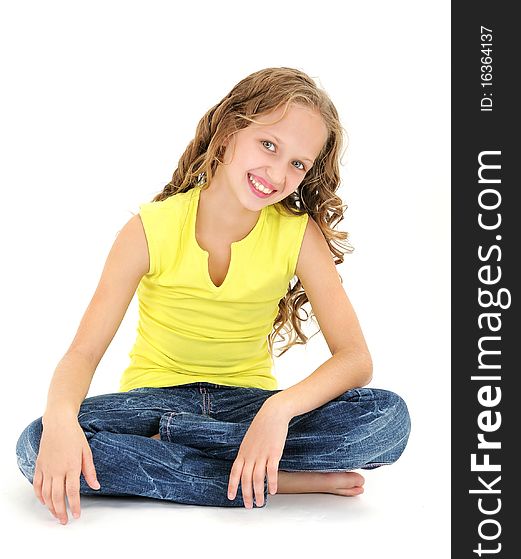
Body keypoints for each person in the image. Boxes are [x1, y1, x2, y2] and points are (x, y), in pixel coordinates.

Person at [15, 66, 411, 525]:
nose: (277, 172)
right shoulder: (149, 229)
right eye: (269, 145)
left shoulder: (299, 237)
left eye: (298, 164)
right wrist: (61, 424)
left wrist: (277, 412)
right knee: (36, 443)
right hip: (154, 403)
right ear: (227, 134)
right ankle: (273, 478)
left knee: (388, 420)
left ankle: (198, 454)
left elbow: (355, 358)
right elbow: (83, 353)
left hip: (249, 408)